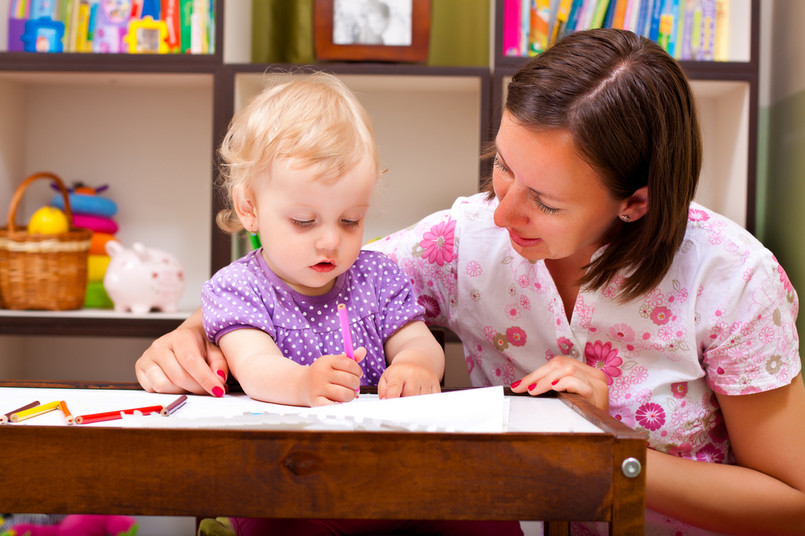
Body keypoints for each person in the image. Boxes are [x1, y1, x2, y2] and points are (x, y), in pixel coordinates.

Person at [135, 29, 805, 535]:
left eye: (544, 201)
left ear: (635, 202)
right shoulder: (464, 243)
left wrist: (605, 453)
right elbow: (316, 280)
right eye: (502, 167)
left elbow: (790, 503)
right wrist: (197, 331)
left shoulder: (731, 281)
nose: (504, 211)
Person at [148, 71, 522, 536]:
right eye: (304, 221)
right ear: (249, 208)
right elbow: (255, 365)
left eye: (350, 220)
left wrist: (417, 367)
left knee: (486, 518)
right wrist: (305, 383)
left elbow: (417, 341)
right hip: (282, 479)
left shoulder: (377, 275)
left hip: (386, 472)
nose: (330, 241)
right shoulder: (239, 288)